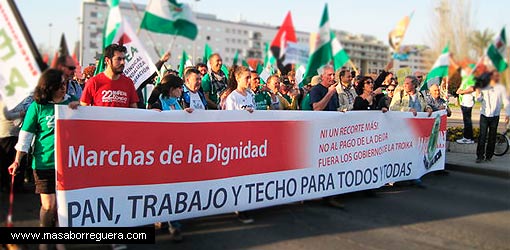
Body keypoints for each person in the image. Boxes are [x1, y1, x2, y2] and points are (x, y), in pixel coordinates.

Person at [9, 69, 79, 250]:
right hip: (43, 163)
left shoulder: (71, 103)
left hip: (67, 164)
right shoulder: (37, 107)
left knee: (60, 207)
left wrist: (78, 107)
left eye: (65, 84)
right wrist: (17, 160)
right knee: (49, 206)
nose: (64, 88)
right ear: (49, 87)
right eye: (59, 86)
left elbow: (88, 119)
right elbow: (25, 136)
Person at [474, 70, 509, 163]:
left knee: (492, 137)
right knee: (482, 136)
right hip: (484, 115)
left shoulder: (501, 88)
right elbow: (479, 99)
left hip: (495, 116)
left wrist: (508, 114)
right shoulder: (484, 86)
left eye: (497, 76)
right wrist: (477, 91)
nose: (496, 78)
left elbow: (506, 101)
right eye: (494, 76)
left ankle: (489, 156)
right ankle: (480, 156)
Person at [455, 65, 476, 144]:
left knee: (467, 120)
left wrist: (461, 92)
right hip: (463, 102)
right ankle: (468, 137)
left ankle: (468, 138)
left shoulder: (471, 78)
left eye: (467, 68)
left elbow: (471, 89)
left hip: (468, 102)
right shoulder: (466, 77)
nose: (466, 69)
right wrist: (459, 90)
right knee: (466, 120)